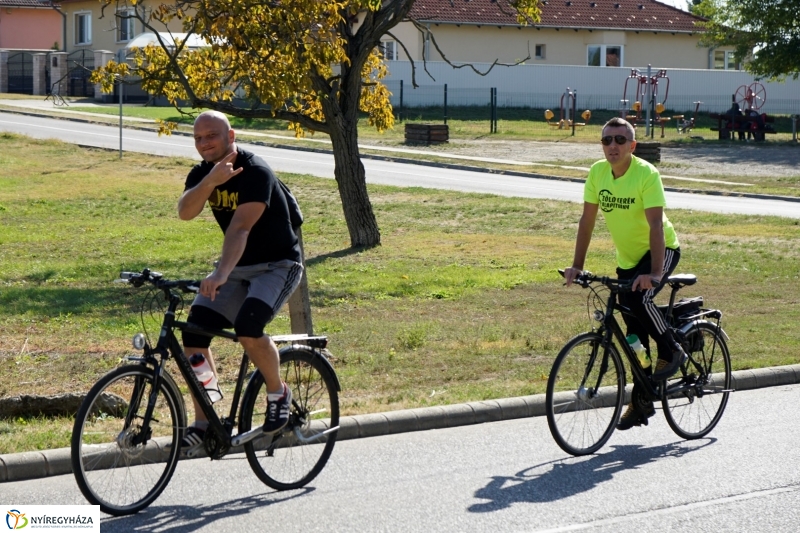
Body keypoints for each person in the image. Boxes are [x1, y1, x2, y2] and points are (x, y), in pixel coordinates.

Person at [177, 110, 304, 453]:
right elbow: (185, 211)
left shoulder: (255, 171)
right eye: (198, 138)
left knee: (249, 328)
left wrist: (220, 273)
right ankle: (205, 419)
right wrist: (210, 182)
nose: (204, 143)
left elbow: (241, 227)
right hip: (237, 266)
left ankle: (278, 392)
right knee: (193, 335)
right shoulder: (204, 173)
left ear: (230, 135)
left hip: (277, 265)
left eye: (212, 135)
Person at [563, 117, 685, 431]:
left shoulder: (646, 174)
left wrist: (655, 273)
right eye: (607, 140)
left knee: (641, 299)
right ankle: (642, 397)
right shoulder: (597, 173)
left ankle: (672, 350)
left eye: (619, 140)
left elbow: (656, 225)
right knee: (633, 331)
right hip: (628, 260)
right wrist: (577, 265)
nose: (612, 146)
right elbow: (587, 221)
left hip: (661, 251)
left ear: (632, 145)